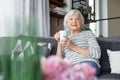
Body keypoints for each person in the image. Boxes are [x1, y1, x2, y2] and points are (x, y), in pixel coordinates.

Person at [54, 9, 101, 76]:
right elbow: (58, 62)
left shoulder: (88, 33)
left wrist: (72, 46)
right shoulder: (64, 37)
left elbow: (97, 53)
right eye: (71, 19)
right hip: (71, 67)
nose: (74, 21)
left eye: (77, 19)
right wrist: (59, 42)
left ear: (81, 22)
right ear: (66, 22)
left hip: (88, 63)